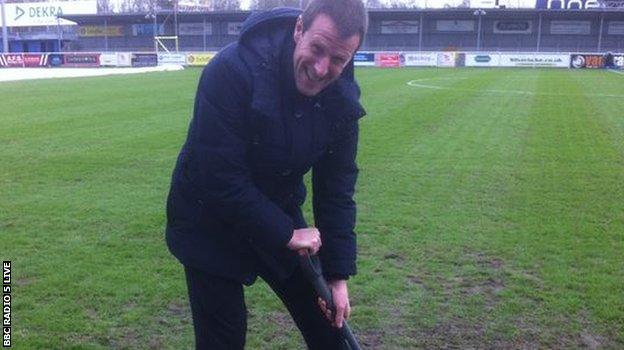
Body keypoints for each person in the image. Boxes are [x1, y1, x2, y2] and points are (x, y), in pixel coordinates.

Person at [165, 0, 368, 348]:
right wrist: (286, 233)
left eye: (338, 59)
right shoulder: (230, 72)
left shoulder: (342, 99)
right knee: (224, 338)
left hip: (277, 209)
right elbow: (219, 178)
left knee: (330, 326)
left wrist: (336, 276)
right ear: (299, 30)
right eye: (317, 49)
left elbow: (336, 190)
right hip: (207, 219)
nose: (322, 69)